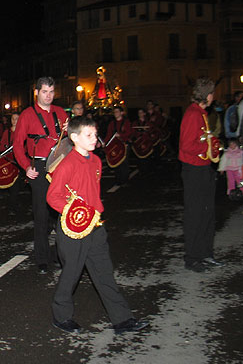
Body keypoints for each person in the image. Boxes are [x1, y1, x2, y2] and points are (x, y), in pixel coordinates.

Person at [47, 116, 148, 334]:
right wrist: (73, 211)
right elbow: (53, 196)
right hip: (72, 229)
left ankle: (122, 319)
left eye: (95, 134)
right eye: (89, 135)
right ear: (74, 138)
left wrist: (92, 214)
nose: (95, 139)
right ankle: (61, 316)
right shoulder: (67, 164)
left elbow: (93, 192)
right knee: (71, 273)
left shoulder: (96, 161)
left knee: (104, 272)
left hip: (95, 226)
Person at [13, 76, 68, 274]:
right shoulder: (27, 115)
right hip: (39, 167)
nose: (48, 96)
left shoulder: (61, 113)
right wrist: (27, 166)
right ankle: (42, 259)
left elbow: (70, 141)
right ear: (36, 92)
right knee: (42, 215)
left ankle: (64, 256)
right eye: (44, 92)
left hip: (61, 167)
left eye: (52, 92)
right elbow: (18, 145)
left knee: (63, 214)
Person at [179, 78, 224, 271]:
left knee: (207, 214)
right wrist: (209, 145)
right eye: (212, 92)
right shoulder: (192, 114)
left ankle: (206, 253)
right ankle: (192, 258)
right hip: (194, 170)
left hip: (204, 169)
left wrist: (212, 143)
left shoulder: (201, 113)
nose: (214, 96)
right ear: (207, 95)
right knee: (195, 215)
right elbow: (186, 146)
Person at [104, 106, 132, 185]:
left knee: (124, 163)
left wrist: (120, 135)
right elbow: (109, 134)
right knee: (116, 161)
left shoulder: (126, 122)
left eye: (117, 111)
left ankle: (125, 180)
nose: (115, 113)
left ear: (121, 113)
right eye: (114, 112)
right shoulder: (112, 123)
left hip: (124, 144)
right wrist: (104, 143)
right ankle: (118, 179)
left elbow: (129, 132)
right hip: (115, 145)